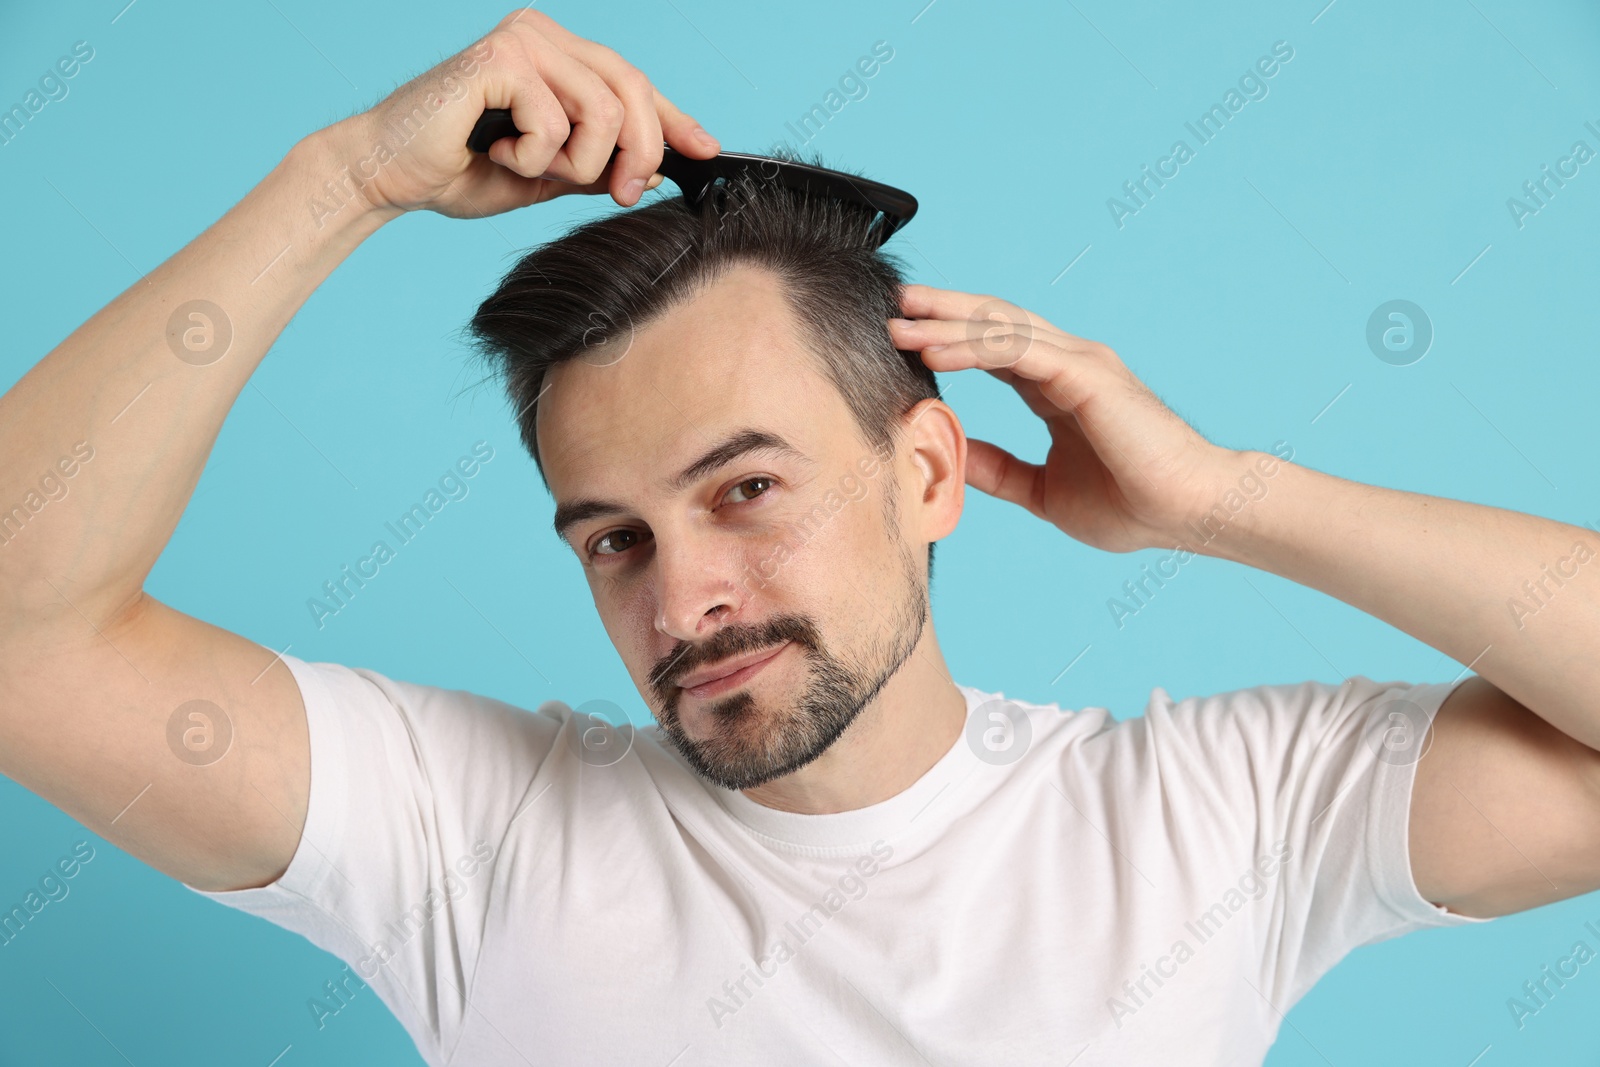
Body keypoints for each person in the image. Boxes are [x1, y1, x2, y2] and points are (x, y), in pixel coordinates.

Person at [2, 9, 1598, 1066]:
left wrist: (1222, 499)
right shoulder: (459, 831)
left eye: (745, 489)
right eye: (611, 538)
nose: (682, 594)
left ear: (927, 476)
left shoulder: (1213, 824)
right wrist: (345, 178)